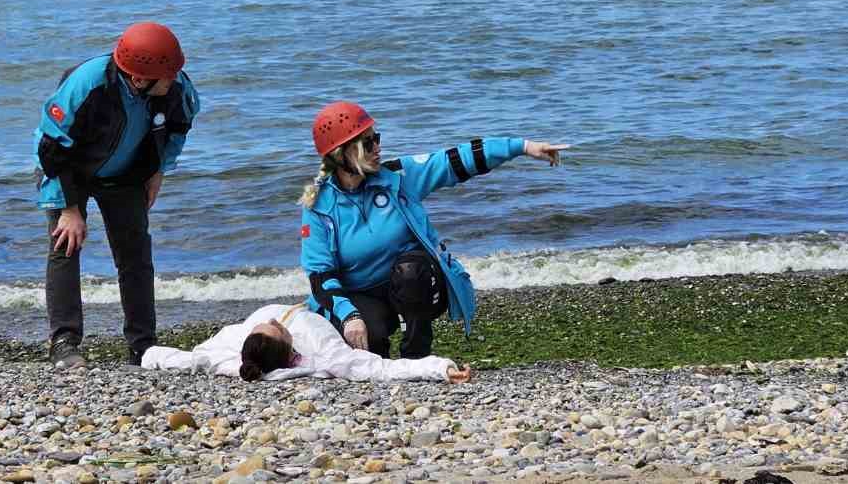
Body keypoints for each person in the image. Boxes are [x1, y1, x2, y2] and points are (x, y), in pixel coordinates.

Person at [301, 101, 567, 360]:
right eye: (368, 143)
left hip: (412, 284)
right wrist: (349, 315)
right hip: (357, 295)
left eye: (377, 138)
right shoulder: (318, 207)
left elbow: (455, 160)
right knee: (371, 342)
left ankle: (417, 357)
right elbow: (320, 277)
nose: (378, 148)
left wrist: (522, 147)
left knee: (411, 271)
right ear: (341, 154)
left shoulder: (399, 176)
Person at [33, 22, 200, 370]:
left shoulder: (176, 87)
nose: (176, 78)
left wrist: (159, 171)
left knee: (135, 253)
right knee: (66, 245)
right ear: (139, 79)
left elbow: (179, 128)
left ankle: (143, 345)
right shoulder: (87, 83)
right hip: (66, 169)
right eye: (168, 74)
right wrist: (68, 209)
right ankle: (64, 342)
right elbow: (50, 147)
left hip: (126, 175)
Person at [142, 302, 473, 383]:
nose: (273, 322)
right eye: (276, 330)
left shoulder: (234, 346)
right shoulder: (321, 350)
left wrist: (148, 355)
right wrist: (441, 368)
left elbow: (190, 358)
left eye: (266, 327)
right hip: (319, 310)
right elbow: (380, 368)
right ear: (290, 349)